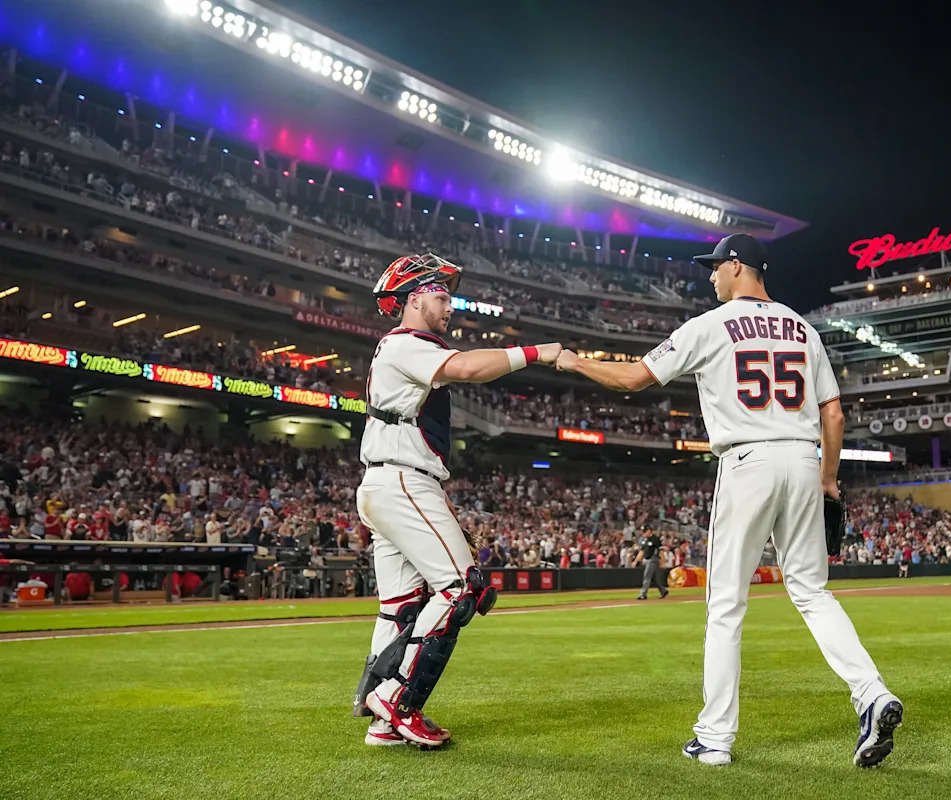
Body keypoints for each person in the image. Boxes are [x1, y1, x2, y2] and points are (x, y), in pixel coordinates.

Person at [555, 234, 903, 768]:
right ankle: (872, 693)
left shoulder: (710, 325)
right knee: (813, 593)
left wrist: (574, 362)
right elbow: (833, 414)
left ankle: (715, 738)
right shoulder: (803, 327)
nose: (710, 276)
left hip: (747, 460)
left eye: (715, 267)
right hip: (803, 458)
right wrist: (829, 480)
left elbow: (632, 378)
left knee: (725, 606)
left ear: (737, 266)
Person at [351, 253, 562, 749]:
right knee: (462, 589)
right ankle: (396, 700)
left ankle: (382, 719)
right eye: (442, 296)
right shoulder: (406, 342)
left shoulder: (400, 348)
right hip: (403, 481)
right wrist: (537, 352)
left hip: (391, 481)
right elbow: (466, 367)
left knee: (400, 607)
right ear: (414, 298)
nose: (450, 307)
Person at [633, 525, 668, 600]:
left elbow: (661, 551)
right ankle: (663, 591)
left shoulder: (655, 539)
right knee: (652, 578)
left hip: (653, 559)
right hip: (647, 560)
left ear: (649, 531)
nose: (643, 533)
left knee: (647, 575)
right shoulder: (645, 540)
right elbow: (642, 551)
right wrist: (636, 561)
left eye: (644, 532)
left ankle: (643, 594)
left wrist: (663, 562)